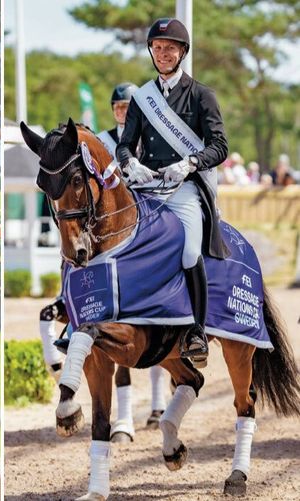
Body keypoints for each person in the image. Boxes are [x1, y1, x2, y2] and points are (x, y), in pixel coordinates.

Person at [116, 18, 229, 367]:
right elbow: (125, 145)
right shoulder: (142, 98)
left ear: (182, 52)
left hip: (184, 188)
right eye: (157, 48)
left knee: (189, 251)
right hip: (148, 187)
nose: (163, 54)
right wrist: (130, 164)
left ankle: (196, 331)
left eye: (169, 48)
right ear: (151, 51)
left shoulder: (201, 94)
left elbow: (220, 146)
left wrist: (191, 162)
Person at [97, 82, 138, 156]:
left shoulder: (149, 138)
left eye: (125, 106)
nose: (119, 110)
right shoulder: (102, 139)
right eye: (116, 106)